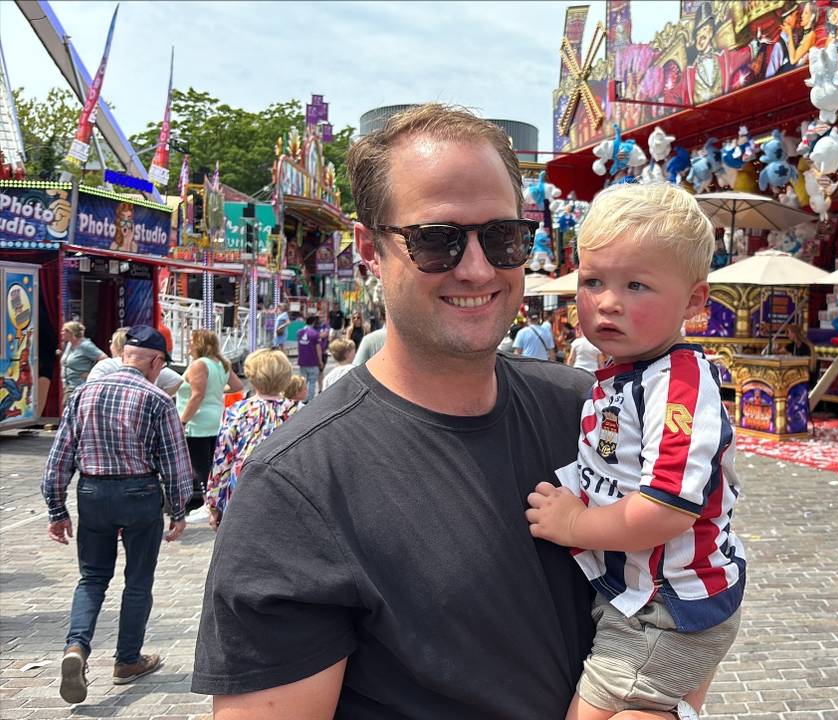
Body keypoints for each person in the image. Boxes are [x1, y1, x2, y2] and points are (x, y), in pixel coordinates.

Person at [194, 104, 637, 718]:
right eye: (437, 240)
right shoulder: (298, 487)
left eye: (503, 238)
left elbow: (687, 593)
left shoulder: (589, 413)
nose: (477, 268)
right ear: (369, 250)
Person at [525, 182, 744, 719]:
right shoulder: (626, 373)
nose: (607, 302)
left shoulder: (678, 386)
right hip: (637, 595)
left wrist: (573, 526)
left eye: (637, 285)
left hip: (667, 608)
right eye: (593, 280)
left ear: (694, 300)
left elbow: (665, 507)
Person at [42, 325, 192, 704]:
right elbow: (174, 463)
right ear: (155, 361)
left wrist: (56, 509)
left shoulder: (83, 393)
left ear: (125, 354)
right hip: (140, 492)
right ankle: (127, 661)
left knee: (92, 578)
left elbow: (59, 457)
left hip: (93, 491)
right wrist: (179, 509)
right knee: (138, 581)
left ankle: (76, 647)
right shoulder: (157, 399)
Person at [204, 349, 300, 531]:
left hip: (243, 489)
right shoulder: (299, 411)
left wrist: (214, 503)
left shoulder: (237, 411)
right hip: (287, 491)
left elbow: (223, 459)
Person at [177, 330, 243, 515]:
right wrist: (219, 389)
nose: (188, 344)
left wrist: (182, 421)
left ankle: (208, 504)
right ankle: (215, 501)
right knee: (212, 464)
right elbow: (238, 386)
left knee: (200, 466)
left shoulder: (199, 364)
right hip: (215, 417)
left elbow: (197, 395)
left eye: (191, 340)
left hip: (198, 421)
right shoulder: (222, 363)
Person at [88, 328, 184, 397]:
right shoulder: (158, 402)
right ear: (156, 362)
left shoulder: (105, 366)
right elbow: (177, 380)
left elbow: (90, 392)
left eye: (111, 342)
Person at [59, 321, 107, 404]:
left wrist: (91, 373)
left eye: (64, 331)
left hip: (78, 386)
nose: (61, 333)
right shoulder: (70, 344)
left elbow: (104, 358)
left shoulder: (85, 345)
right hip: (68, 386)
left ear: (71, 332)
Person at [295, 315, 324, 401]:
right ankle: (310, 400)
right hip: (313, 362)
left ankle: (302, 399)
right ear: (313, 323)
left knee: (303, 381)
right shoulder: (315, 334)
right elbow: (318, 349)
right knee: (312, 381)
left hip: (302, 361)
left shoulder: (299, 332)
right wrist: (320, 361)